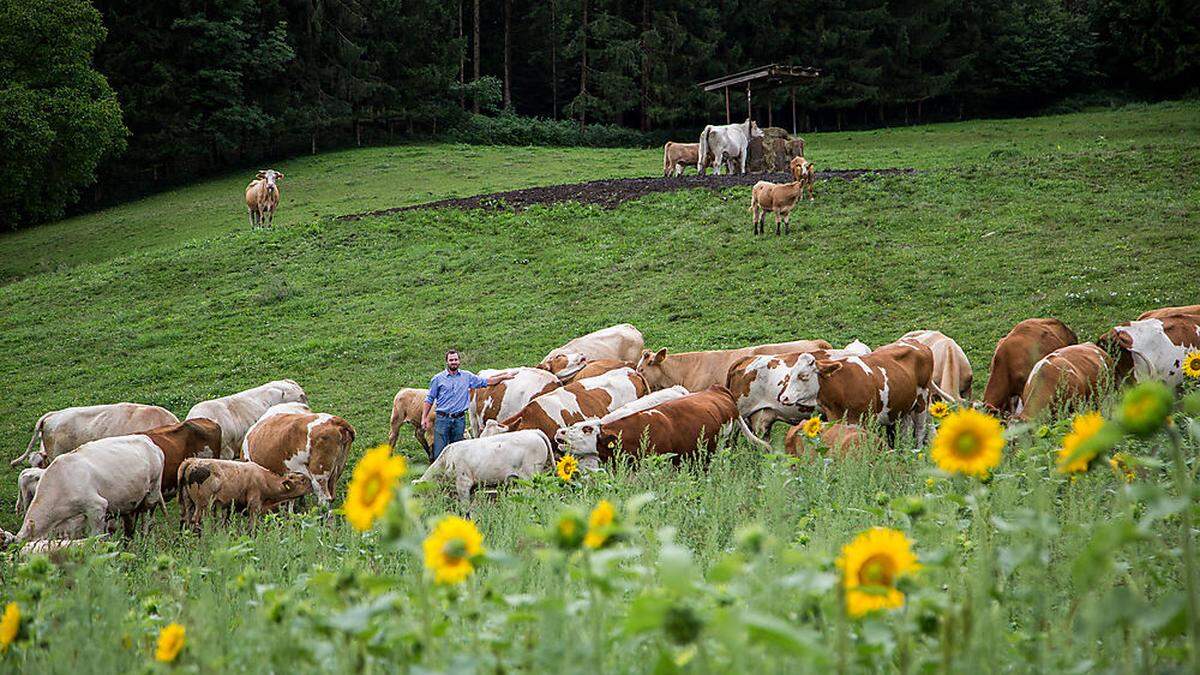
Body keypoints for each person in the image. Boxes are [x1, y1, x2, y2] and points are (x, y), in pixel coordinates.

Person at [422, 350, 514, 461]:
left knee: (457, 449)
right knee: (440, 450)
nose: (454, 362)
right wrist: (424, 417)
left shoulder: (466, 376)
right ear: (446, 362)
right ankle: (438, 474)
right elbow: (429, 399)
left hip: (459, 419)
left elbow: (486, 381)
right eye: (451, 360)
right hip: (442, 418)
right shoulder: (438, 379)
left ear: (459, 361)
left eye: (456, 359)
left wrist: (503, 377)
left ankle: (454, 474)